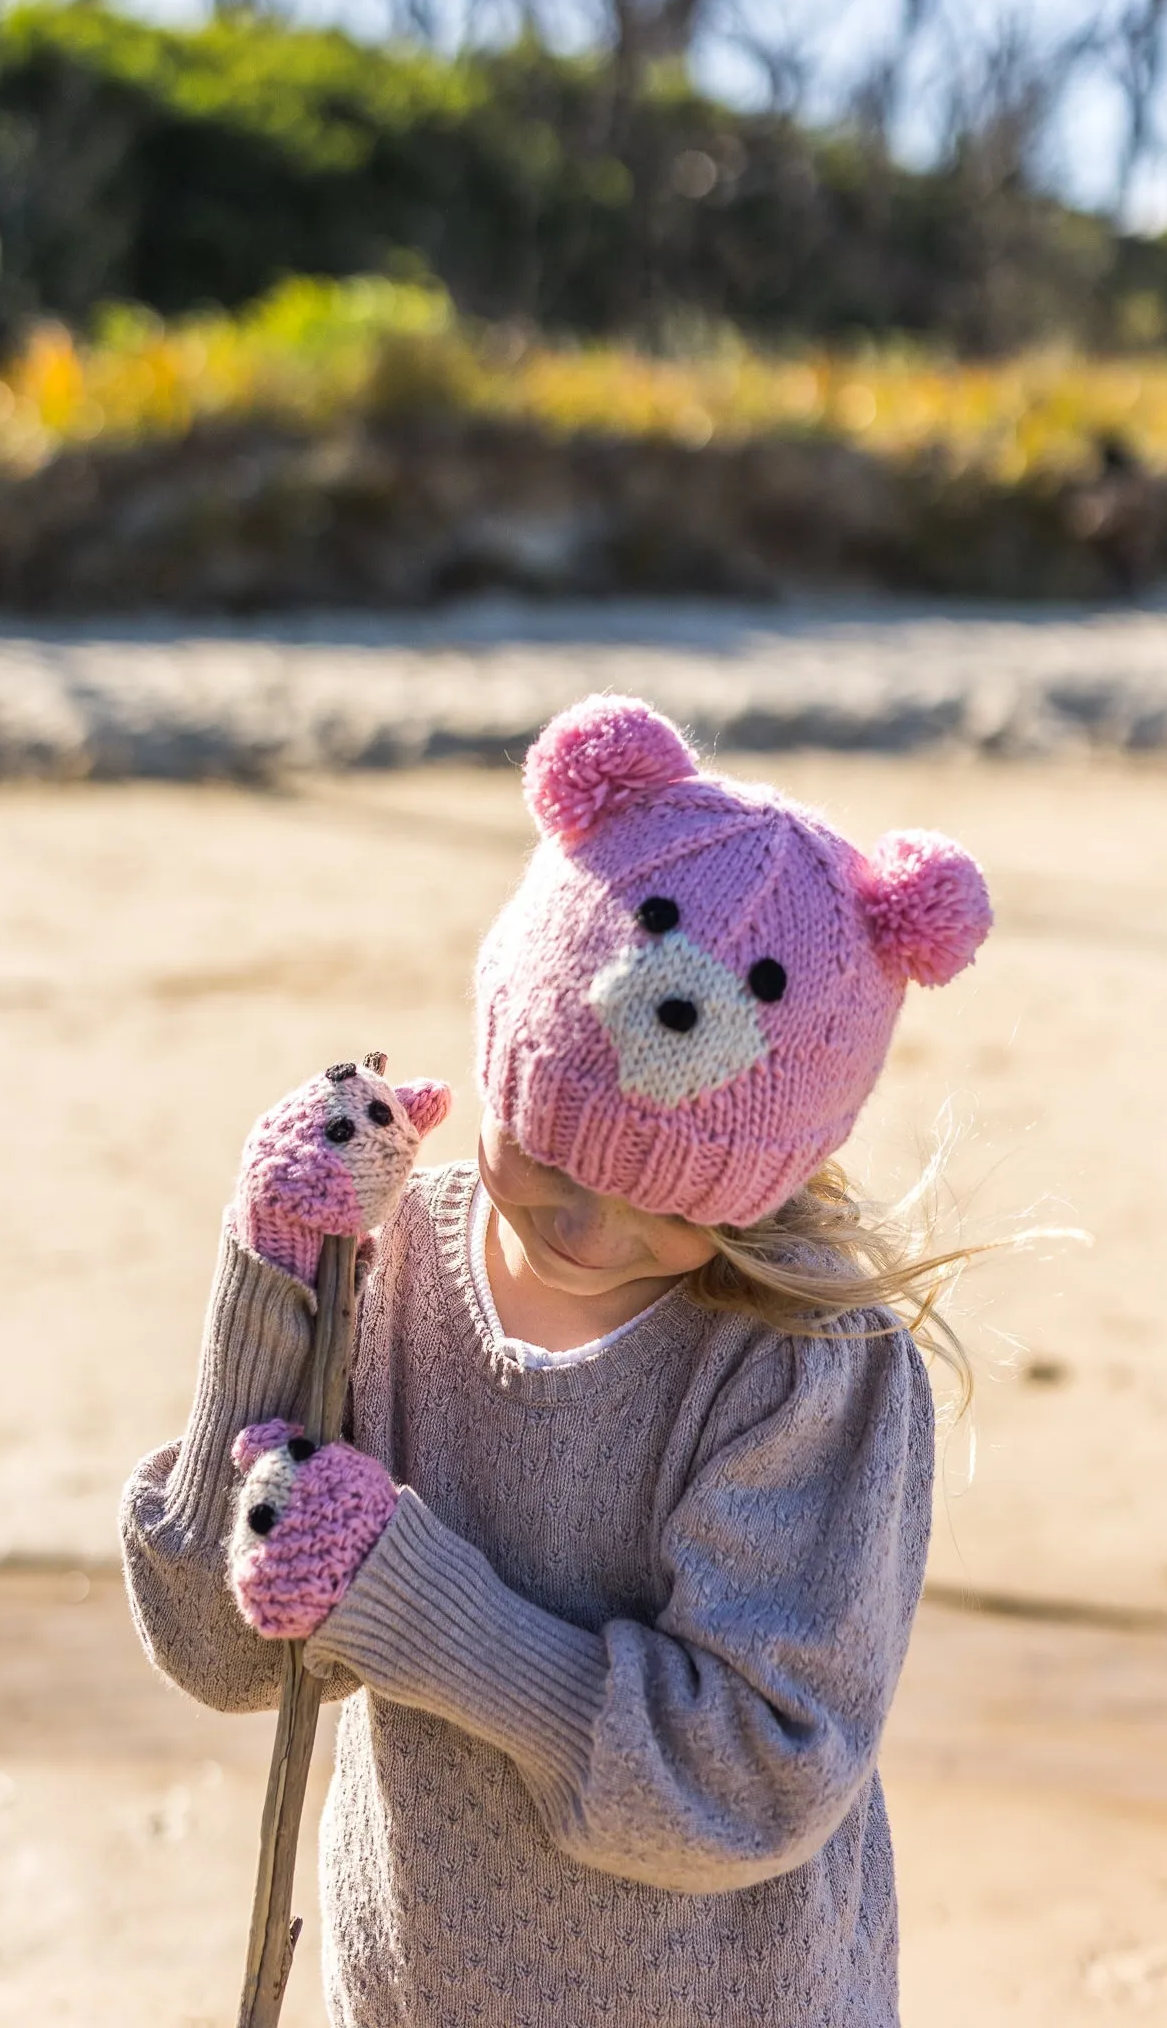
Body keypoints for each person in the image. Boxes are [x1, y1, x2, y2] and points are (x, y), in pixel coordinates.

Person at [121, 693, 995, 2028]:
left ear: (769, 1178)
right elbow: (222, 1653)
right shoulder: (395, 1252)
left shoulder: (805, 1363)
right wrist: (273, 1279)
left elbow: (753, 1773)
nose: (589, 1224)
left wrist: (408, 1599)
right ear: (498, 1056)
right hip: (415, 1987)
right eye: (546, 1154)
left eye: (667, 1198)